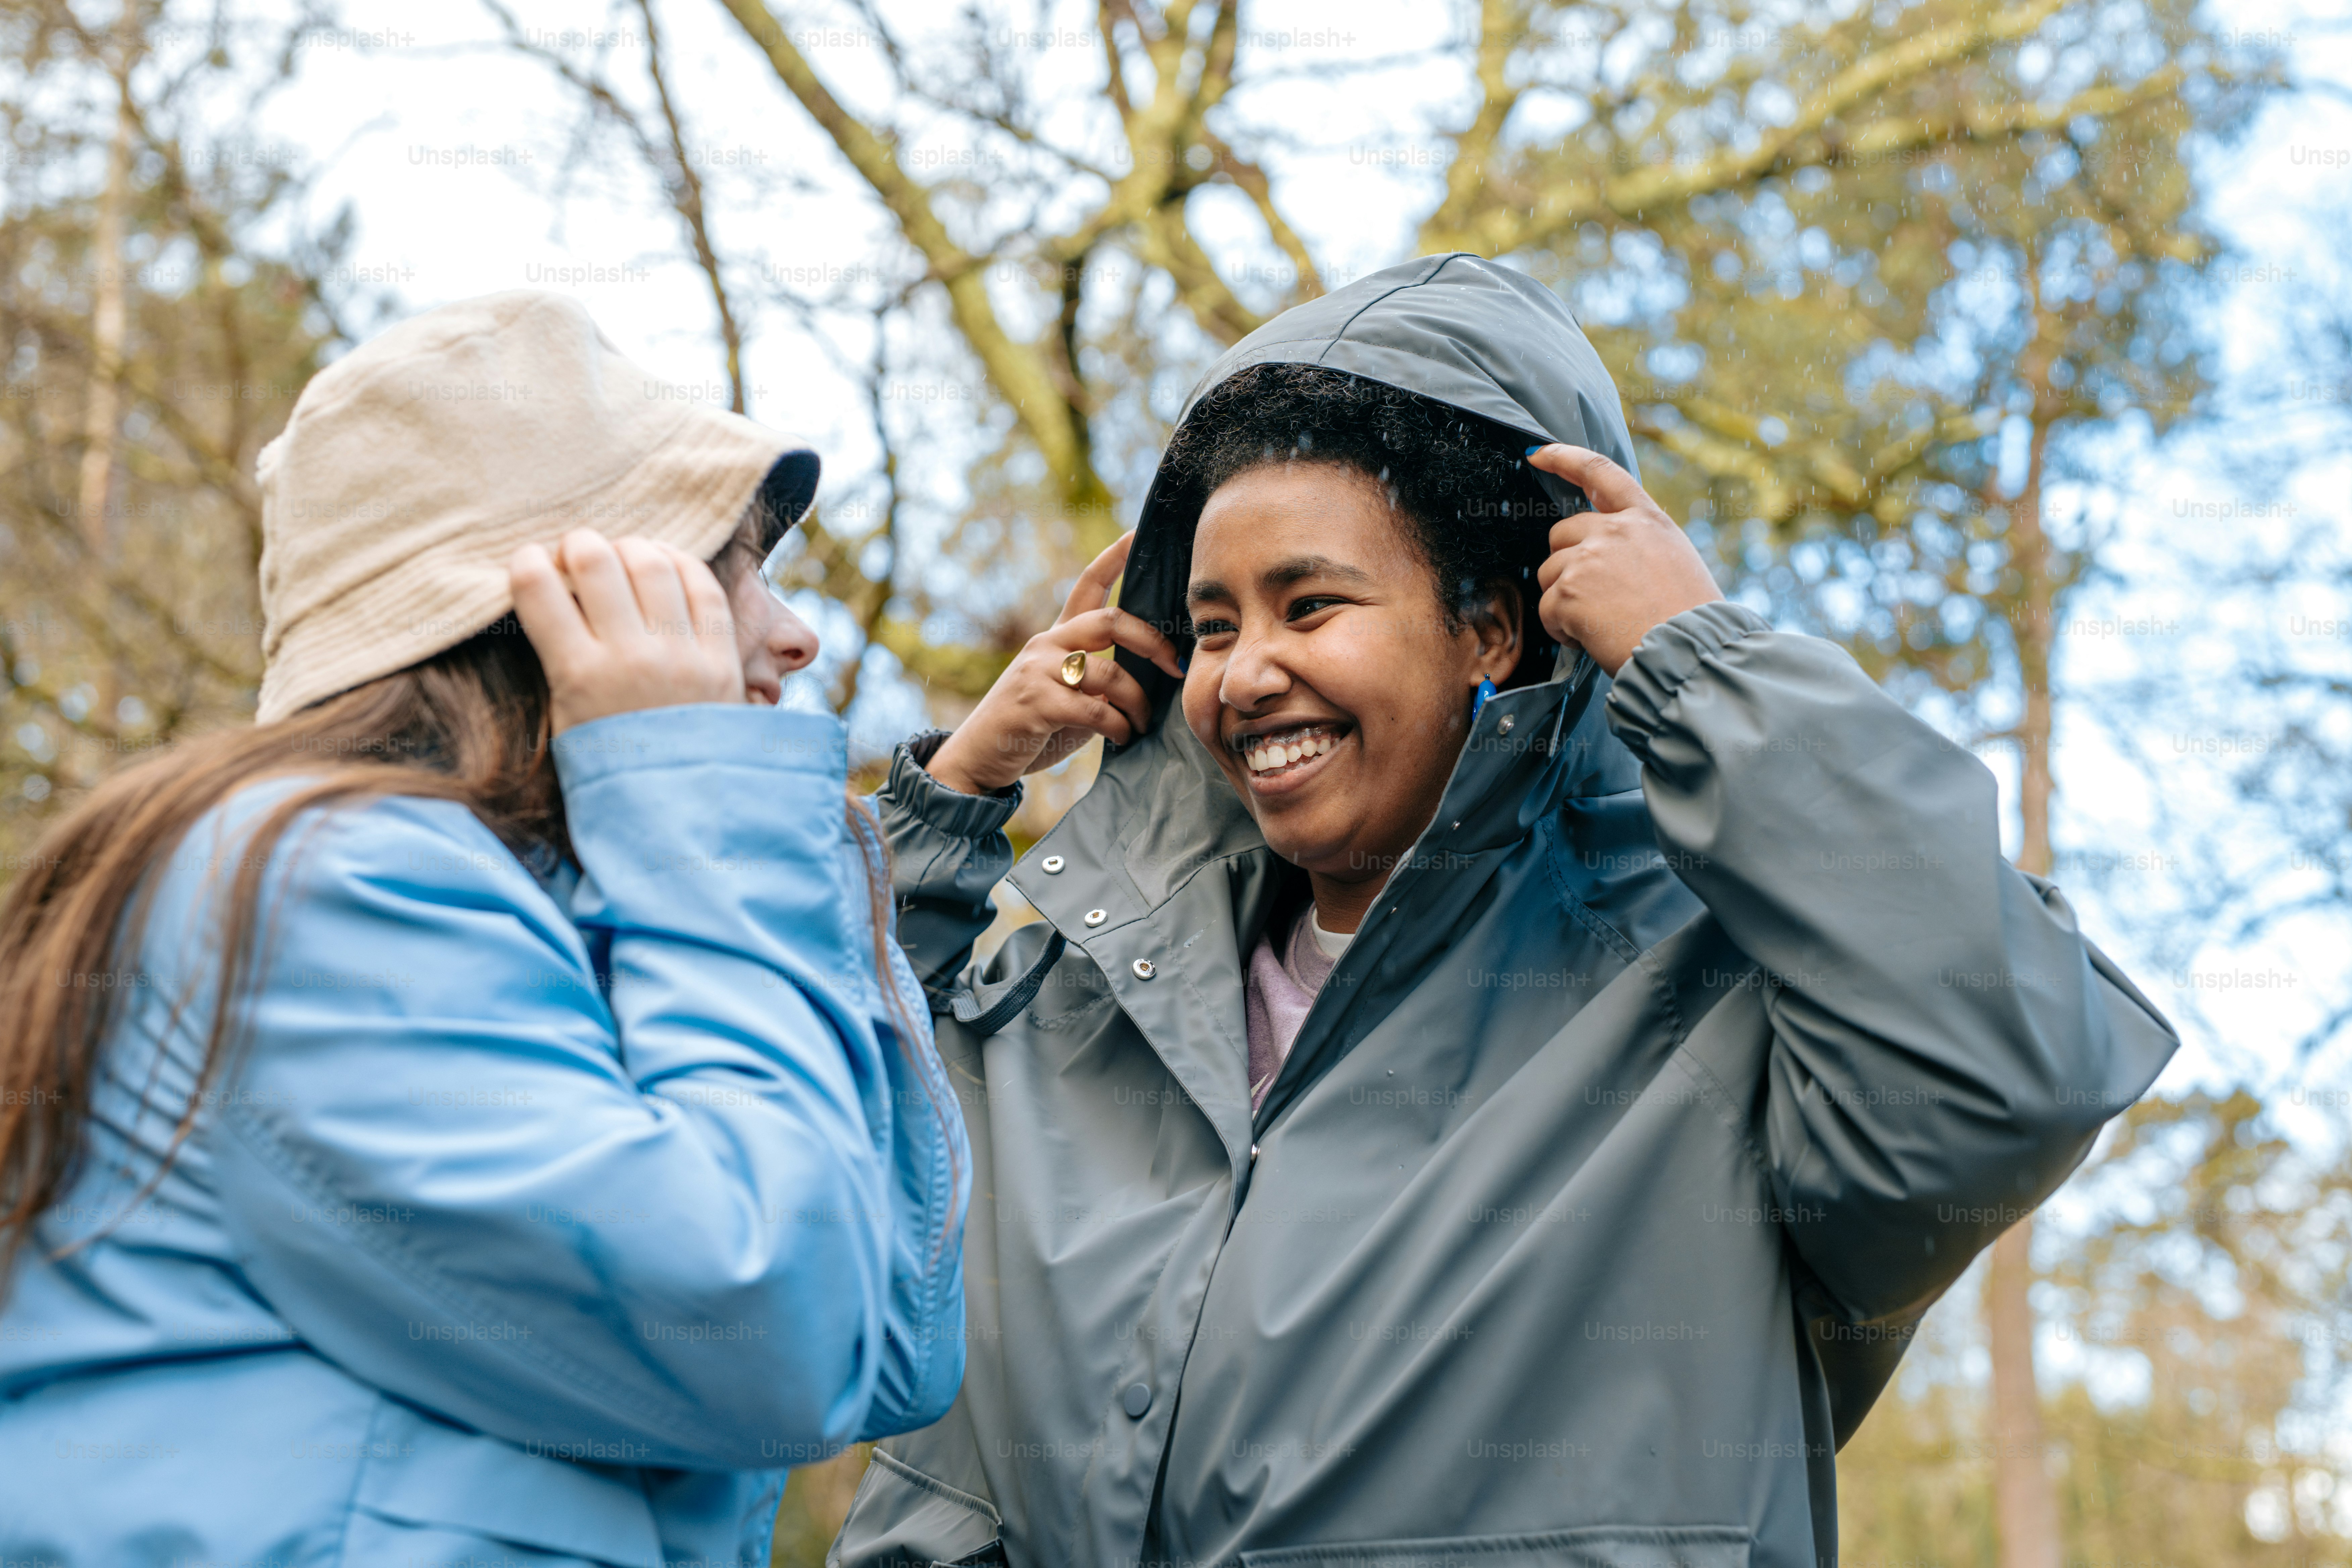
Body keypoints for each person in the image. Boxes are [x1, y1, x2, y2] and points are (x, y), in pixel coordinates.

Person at [836, 254, 2178, 1568]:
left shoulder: (1715, 1012)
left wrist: (1698, 668)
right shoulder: (1066, 1000)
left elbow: (2010, 1068)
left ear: (1493, 626)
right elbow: (797, 1185)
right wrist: (950, 805)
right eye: (1217, 623)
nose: (1244, 676)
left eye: (1311, 604)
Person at [0, 292, 969, 1568]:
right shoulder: (318, 886)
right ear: (553, 623)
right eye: (726, 569)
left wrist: (790, 849)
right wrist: (699, 802)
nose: (793, 633)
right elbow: (770, 1329)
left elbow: (892, 1343)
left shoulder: (558, 909)